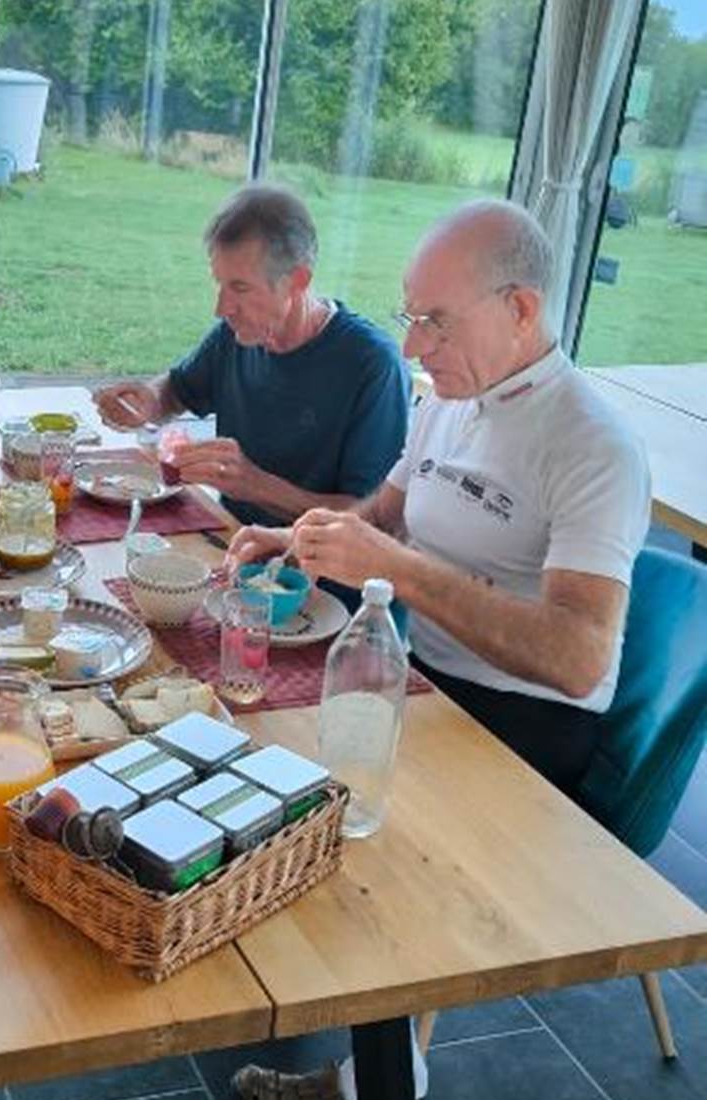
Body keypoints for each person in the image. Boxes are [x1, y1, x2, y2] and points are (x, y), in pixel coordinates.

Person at [225, 200, 650, 1100]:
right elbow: (382, 516)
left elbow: (579, 656)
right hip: (427, 687)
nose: (414, 346)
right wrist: (297, 535)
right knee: (248, 722)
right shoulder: (447, 403)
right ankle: (322, 1018)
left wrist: (400, 572)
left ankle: (375, 1078)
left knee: (351, 829)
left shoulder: (594, 448)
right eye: (409, 316)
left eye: (436, 322)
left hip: (529, 731)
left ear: (521, 309)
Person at [93, 183, 410, 529]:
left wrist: (255, 485)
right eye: (220, 284)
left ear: (297, 281)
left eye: (240, 288)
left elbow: (371, 520)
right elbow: (178, 391)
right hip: (231, 536)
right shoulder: (236, 336)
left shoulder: (373, 365)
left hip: (310, 561)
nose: (221, 308)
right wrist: (148, 401)